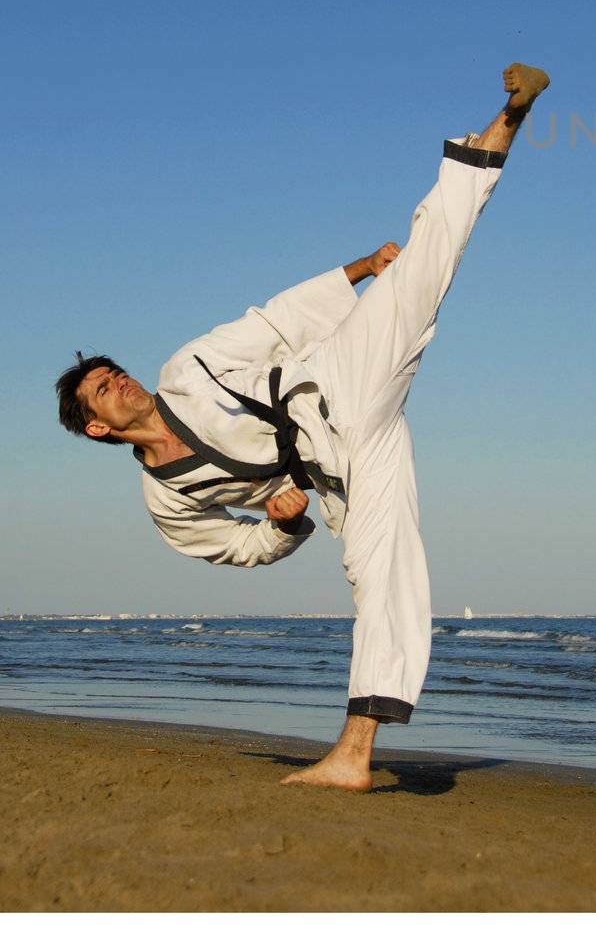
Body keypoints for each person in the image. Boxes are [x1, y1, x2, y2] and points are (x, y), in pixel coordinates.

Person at [54, 62, 549, 791]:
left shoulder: (184, 369)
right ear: (97, 428)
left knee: (423, 269)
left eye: (114, 371)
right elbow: (237, 547)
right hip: (344, 468)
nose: (120, 381)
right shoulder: (168, 500)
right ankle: (354, 755)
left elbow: (275, 321)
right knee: (382, 572)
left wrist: (362, 268)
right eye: (103, 389)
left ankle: (508, 117)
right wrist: (284, 525)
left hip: (330, 381)